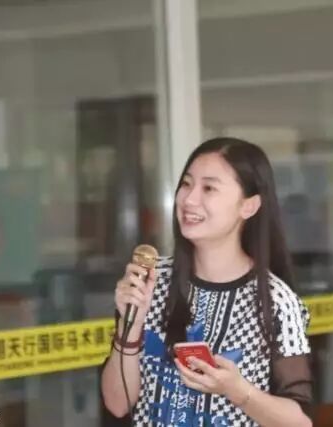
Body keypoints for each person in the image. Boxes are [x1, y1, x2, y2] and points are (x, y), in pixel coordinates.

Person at [101, 137, 313, 426]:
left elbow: (300, 422)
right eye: (186, 184)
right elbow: (117, 404)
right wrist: (131, 325)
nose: (189, 199)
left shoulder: (276, 301)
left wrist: (237, 391)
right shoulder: (150, 280)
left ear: (249, 206)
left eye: (209, 188)